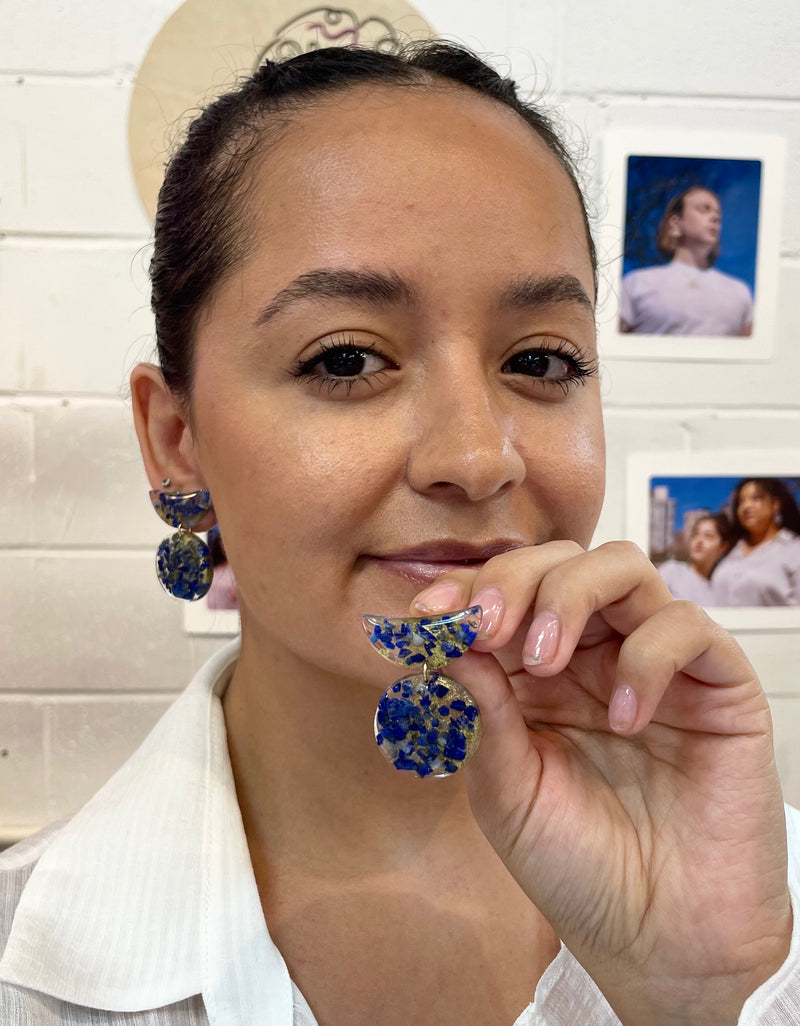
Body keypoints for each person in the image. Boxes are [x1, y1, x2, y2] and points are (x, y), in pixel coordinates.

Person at [1, 43, 797, 1026]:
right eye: (344, 358)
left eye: (542, 360)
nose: (474, 456)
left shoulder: (765, 919)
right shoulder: (21, 966)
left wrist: (707, 1001)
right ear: (178, 442)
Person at [619, 186, 754, 336]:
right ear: (676, 222)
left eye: (718, 215)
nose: (715, 218)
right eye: (704, 209)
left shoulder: (740, 292)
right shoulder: (637, 282)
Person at [713, 478, 800, 606]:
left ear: (775, 504)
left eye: (756, 498)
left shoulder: (794, 549)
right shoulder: (733, 549)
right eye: (741, 502)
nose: (746, 507)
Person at [657, 511, 733, 603]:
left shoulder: (719, 593)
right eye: (696, 534)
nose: (699, 540)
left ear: (723, 547)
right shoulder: (672, 571)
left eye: (708, 536)